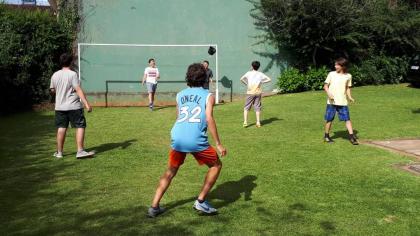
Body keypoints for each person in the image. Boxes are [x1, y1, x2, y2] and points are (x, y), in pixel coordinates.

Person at [148, 63, 227, 217]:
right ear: (204, 78)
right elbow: (209, 118)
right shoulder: (208, 95)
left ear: (188, 78)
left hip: (178, 137)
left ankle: (154, 207)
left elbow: (179, 117)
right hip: (196, 140)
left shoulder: (180, 95)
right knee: (216, 165)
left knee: (170, 171)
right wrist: (218, 143)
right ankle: (201, 201)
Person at [50, 53, 95, 159]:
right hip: (74, 106)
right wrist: (87, 104)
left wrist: (59, 93)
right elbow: (78, 89)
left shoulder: (55, 75)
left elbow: (52, 90)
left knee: (61, 128)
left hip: (60, 107)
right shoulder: (72, 74)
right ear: (71, 62)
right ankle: (80, 151)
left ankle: (59, 153)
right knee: (80, 126)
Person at [323, 57, 359, 145]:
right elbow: (325, 86)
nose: (335, 66)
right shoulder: (331, 74)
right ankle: (326, 136)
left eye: (337, 65)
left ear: (343, 66)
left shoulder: (348, 76)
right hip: (332, 102)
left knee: (347, 119)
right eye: (335, 64)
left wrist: (350, 97)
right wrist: (329, 94)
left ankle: (352, 137)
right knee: (329, 119)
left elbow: (347, 88)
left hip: (343, 102)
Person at [240, 61, 271, 128]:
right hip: (258, 92)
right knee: (257, 107)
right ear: (258, 67)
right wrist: (262, 82)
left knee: (246, 107)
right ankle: (258, 122)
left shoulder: (248, 73)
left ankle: (245, 122)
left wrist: (246, 84)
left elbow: (241, 79)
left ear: (252, 66)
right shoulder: (260, 74)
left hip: (250, 92)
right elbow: (269, 79)